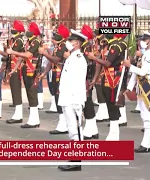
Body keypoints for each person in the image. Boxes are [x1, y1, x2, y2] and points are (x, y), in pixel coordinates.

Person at [57, 29, 88, 171]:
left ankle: (77, 160)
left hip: (74, 99)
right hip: (67, 98)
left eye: (70, 41)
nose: (67, 43)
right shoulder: (71, 57)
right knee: (71, 129)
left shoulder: (79, 59)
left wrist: (77, 102)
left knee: (77, 130)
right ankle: (74, 157)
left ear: (76, 43)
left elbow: (78, 81)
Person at [87, 33, 127, 140]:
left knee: (113, 104)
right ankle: (113, 133)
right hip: (106, 78)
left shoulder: (117, 45)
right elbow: (100, 63)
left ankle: (115, 134)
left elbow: (107, 63)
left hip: (114, 79)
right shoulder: (107, 45)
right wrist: (95, 79)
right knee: (109, 104)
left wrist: (93, 58)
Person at [6, 22, 41, 128]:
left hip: (32, 70)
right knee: (29, 94)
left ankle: (34, 120)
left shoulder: (36, 42)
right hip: (26, 70)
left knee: (32, 94)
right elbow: (22, 57)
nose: (27, 31)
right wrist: (15, 69)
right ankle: (33, 119)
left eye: (29, 29)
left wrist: (13, 52)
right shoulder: (29, 42)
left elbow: (28, 55)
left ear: (33, 32)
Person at [38, 24, 70, 135]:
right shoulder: (57, 47)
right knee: (57, 98)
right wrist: (44, 73)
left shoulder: (63, 46)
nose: (53, 38)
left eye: (55, 36)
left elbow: (56, 59)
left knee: (60, 98)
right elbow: (51, 62)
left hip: (61, 75)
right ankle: (63, 123)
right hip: (55, 74)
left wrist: (44, 53)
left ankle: (63, 124)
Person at [124, 32, 150, 153]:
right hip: (142, 89)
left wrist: (129, 65)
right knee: (144, 117)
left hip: (147, 88)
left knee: (147, 118)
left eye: (143, 40)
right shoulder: (143, 55)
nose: (140, 42)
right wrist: (129, 87)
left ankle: (146, 144)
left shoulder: (148, 55)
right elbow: (136, 73)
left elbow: (143, 72)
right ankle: (146, 143)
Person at [0, 20, 25, 123]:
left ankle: (18, 115)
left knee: (16, 91)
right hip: (12, 67)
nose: (12, 28)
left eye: (14, 27)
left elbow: (10, 54)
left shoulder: (19, 41)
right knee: (14, 90)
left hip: (16, 68)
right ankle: (17, 114)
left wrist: (0, 51)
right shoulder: (14, 40)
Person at [78, 24, 99, 140]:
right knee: (87, 101)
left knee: (87, 102)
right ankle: (93, 129)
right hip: (87, 76)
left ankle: (89, 128)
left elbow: (85, 62)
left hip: (86, 76)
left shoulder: (85, 47)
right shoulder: (87, 45)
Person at [92, 30, 110, 123]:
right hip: (101, 71)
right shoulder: (103, 50)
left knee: (101, 90)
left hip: (106, 73)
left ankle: (104, 112)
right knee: (100, 90)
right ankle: (103, 111)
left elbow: (105, 61)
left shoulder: (107, 50)